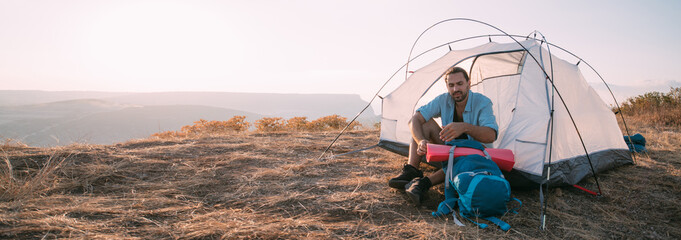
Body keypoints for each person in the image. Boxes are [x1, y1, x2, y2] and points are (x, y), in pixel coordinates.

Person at [388, 67, 498, 206]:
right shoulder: (443, 100)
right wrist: (421, 140)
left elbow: (491, 135)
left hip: (475, 156)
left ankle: (423, 184)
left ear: (468, 84)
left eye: (459, 84)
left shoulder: (483, 102)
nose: (455, 89)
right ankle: (411, 171)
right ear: (447, 86)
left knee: (462, 159)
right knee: (424, 123)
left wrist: (464, 127)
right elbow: (414, 119)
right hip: (450, 149)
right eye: (451, 85)